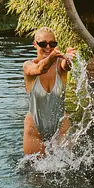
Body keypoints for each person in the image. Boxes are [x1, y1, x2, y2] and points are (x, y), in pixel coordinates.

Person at [23, 28, 77, 156]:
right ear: (35, 44)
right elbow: (40, 69)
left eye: (52, 44)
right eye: (43, 44)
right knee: (34, 172)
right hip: (34, 128)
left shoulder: (60, 65)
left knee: (65, 168)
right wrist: (52, 57)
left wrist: (69, 58)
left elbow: (66, 66)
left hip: (61, 126)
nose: (48, 47)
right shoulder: (28, 65)